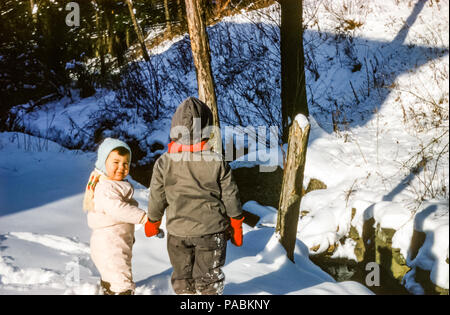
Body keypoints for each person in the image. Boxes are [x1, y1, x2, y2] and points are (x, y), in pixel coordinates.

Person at [145, 97, 244, 295]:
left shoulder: (164, 162)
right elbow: (230, 195)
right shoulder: (216, 161)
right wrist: (236, 222)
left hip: (177, 232)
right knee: (208, 280)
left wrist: (153, 221)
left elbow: (157, 195)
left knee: (182, 277)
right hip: (211, 231)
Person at [83, 138, 148, 295]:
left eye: (126, 163)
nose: (121, 167)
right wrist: (144, 217)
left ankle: (108, 289)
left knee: (112, 275)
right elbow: (118, 209)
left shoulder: (111, 183)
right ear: (103, 163)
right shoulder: (106, 187)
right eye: (116, 162)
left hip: (114, 241)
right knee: (121, 280)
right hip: (111, 245)